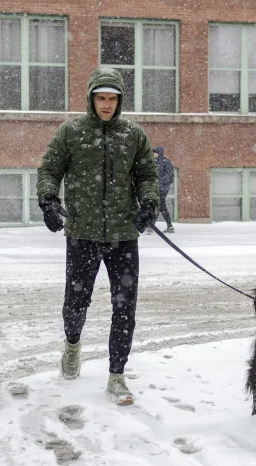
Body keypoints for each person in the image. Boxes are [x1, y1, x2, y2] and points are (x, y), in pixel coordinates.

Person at [36, 67, 160, 406]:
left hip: (123, 234)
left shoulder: (133, 135)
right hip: (82, 232)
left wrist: (149, 202)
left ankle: (117, 375)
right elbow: (49, 169)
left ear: (120, 101)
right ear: (91, 98)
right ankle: (73, 346)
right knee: (76, 302)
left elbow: (147, 175)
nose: (106, 105)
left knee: (125, 308)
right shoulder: (71, 132)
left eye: (112, 99)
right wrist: (48, 200)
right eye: (101, 98)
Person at [153, 146, 175, 233]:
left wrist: (159, 182)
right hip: (155, 188)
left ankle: (152, 227)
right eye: (153, 152)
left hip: (162, 188)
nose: (154, 154)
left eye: (155, 152)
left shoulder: (165, 162)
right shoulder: (153, 162)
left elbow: (170, 176)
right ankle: (169, 226)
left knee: (159, 205)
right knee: (159, 206)